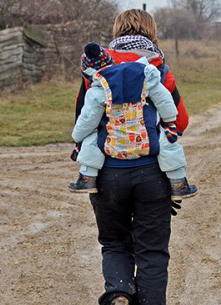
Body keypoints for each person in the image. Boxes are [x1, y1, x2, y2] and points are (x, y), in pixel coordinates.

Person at [79, 9, 194, 305]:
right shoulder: (158, 68)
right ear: (151, 32)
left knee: (114, 242)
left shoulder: (96, 68)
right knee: (152, 250)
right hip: (152, 173)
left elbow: (81, 119)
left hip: (108, 173)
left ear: (116, 31)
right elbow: (180, 121)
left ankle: (118, 298)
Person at [68, 42, 198, 200]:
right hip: (147, 138)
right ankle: (178, 183)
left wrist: (77, 137)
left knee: (91, 139)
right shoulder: (145, 75)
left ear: (89, 72)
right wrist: (170, 121)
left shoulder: (98, 91)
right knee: (168, 144)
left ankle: (87, 178)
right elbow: (164, 99)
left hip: (113, 142)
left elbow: (88, 121)